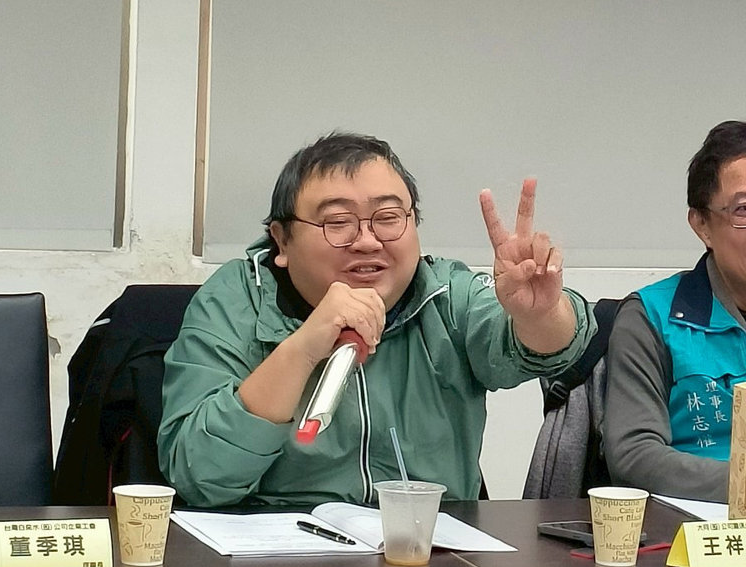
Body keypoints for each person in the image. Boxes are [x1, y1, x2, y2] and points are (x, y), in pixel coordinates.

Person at [157, 132, 596, 507]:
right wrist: (303, 348)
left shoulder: (444, 294)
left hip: (423, 546)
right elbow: (199, 475)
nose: (367, 241)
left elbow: (545, 347)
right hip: (273, 552)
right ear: (282, 240)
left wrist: (541, 313)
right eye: (338, 222)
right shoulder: (236, 300)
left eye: (388, 218)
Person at [605, 120, 746, 502]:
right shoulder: (651, 317)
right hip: (694, 526)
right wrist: (738, 486)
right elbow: (634, 455)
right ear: (702, 224)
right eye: (743, 209)